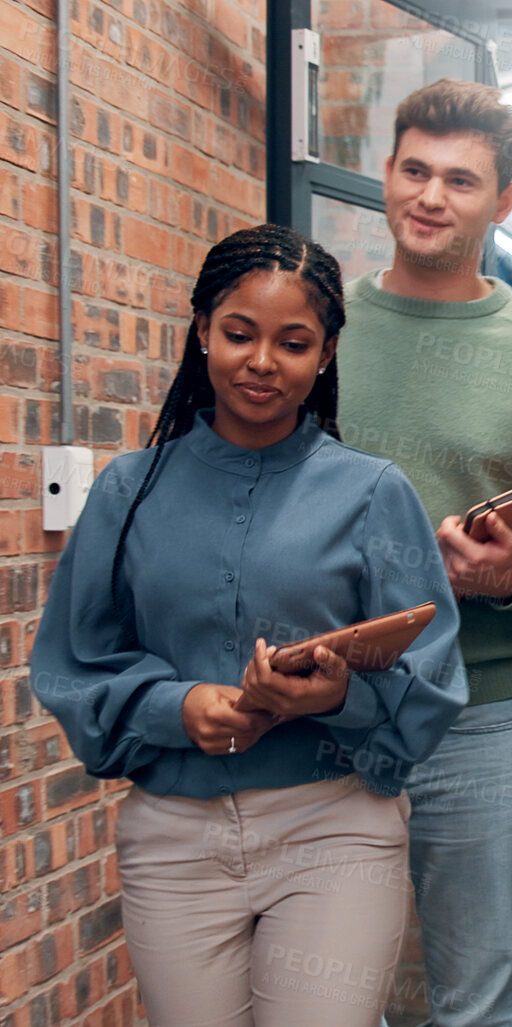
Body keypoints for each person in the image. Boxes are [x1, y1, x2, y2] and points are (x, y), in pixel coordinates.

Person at [30, 223, 467, 1024]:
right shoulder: (127, 491)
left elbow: (433, 682)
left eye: (293, 342)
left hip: (333, 824)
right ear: (202, 332)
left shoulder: (375, 492)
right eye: (238, 333)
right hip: (172, 836)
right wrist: (175, 705)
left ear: (327, 352)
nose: (262, 362)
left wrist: (334, 699)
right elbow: (71, 663)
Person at [333, 78, 512, 1026]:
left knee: (480, 1002)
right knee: (321, 997)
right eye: (415, 169)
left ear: (505, 202)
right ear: (388, 173)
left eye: (460, 179)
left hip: (481, 722)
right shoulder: (316, 332)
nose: (430, 196)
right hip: (323, 712)